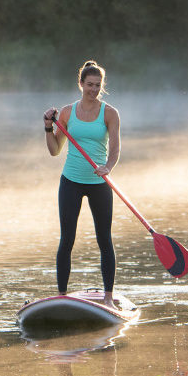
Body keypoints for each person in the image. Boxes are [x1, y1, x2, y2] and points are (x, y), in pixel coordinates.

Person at [43, 61, 122, 308]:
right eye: (89, 85)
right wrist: (48, 127)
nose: (94, 89)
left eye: (98, 85)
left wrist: (108, 167)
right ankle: (62, 296)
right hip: (71, 182)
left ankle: (108, 297)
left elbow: (115, 148)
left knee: (104, 240)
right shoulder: (67, 113)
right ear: (81, 84)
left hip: (99, 183)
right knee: (67, 239)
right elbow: (55, 151)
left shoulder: (110, 113)